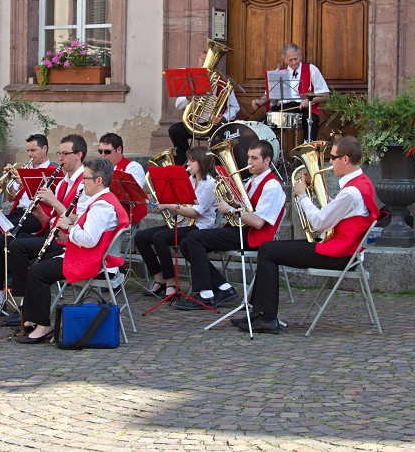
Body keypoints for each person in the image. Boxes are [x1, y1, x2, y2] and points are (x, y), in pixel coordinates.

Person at [238, 135, 377, 334]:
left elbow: (319, 223)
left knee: (268, 250)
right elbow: (333, 215)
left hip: (339, 255)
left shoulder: (351, 192)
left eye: (333, 157)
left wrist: (303, 195)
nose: (329, 162)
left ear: (345, 159)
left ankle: (266, 317)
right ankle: (259, 313)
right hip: (343, 249)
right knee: (270, 249)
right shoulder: (362, 183)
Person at [0, 134, 87, 325]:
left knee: (16, 245)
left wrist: (49, 203)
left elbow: (79, 219)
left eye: (65, 154)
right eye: (61, 153)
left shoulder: (77, 180)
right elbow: (46, 217)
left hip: (68, 241)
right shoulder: (65, 180)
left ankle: (23, 307)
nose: (61, 158)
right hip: (41, 224)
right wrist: (40, 212)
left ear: (79, 155)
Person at [15, 157, 129, 344]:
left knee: (37, 272)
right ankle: (32, 316)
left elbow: (89, 240)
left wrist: (69, 227)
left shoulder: (101, 205)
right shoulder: (105, 199)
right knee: (39, 263)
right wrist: (70, 230)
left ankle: (43, 326)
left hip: (95, 262)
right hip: (94, 256)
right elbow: (91, 231)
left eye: (85, 178)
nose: (82, 182)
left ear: (98, 181)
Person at [176, 139, 285, 310]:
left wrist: (231, 210)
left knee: (194, 238)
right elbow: (243, 206)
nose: (249, 162)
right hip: (241, 230)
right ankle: (223, 287)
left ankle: (206, 294)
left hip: (254, 236)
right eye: (249, 157)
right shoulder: (251, 181)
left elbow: (257, 222)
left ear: (267, 160)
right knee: (186, 242)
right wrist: (229, 200)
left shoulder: (272, 186)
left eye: (255, 158)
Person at [135, 147, 219, 298]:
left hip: (199, 228)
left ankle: (171, 282)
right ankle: (159, 279)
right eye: (188, 160)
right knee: (140, 237)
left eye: (192, 160)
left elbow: (195, 212)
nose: (188, 163)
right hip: (183, 225)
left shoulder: (210, 184)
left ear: (202, 162)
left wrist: (169, 205)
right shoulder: (190, 180)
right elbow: (181, 203)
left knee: (159, 237)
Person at [168, 51, 241, 165]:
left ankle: (215, 167)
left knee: (223, 134)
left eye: (206, 60)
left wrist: (223, 117)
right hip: (193, 122)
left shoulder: (222, 83)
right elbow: (178, 105)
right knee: (174, 130)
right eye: (201, 60)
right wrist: (188, 98)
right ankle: (187, 163)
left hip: (213, 125)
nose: (203, 63)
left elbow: (235, 108)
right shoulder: (190, 80)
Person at [251, 43, 329, 141]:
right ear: (284, 59)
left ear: (300, 56)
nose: (293, 63)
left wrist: (310, 101)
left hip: (304, 110)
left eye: (296, 59)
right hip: (282, 109)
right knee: (260, 130)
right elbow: (270, 94)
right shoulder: (279, 71)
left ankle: (305, 153)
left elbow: (325, 94)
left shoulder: (311, 69)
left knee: (311, 125)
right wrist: (260, 101)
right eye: (290, 60)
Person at [4, 133, 55, 234]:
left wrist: (26, 183)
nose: (29, 154)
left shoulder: (52, 172)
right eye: (28, 151)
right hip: (18, 212)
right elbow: (11, 198)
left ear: (44, 148)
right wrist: (9, 180)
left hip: (35, 215)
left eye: (33, 150)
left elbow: (51, 201)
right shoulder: (25, 168)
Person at [97, 132, 147, 224]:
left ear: (119, 149)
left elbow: (135, 194)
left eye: (107, 151)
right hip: (107, 213)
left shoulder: (133, 167)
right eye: (100, 151)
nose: (103, 155)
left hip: (125, 215)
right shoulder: (100, 168)